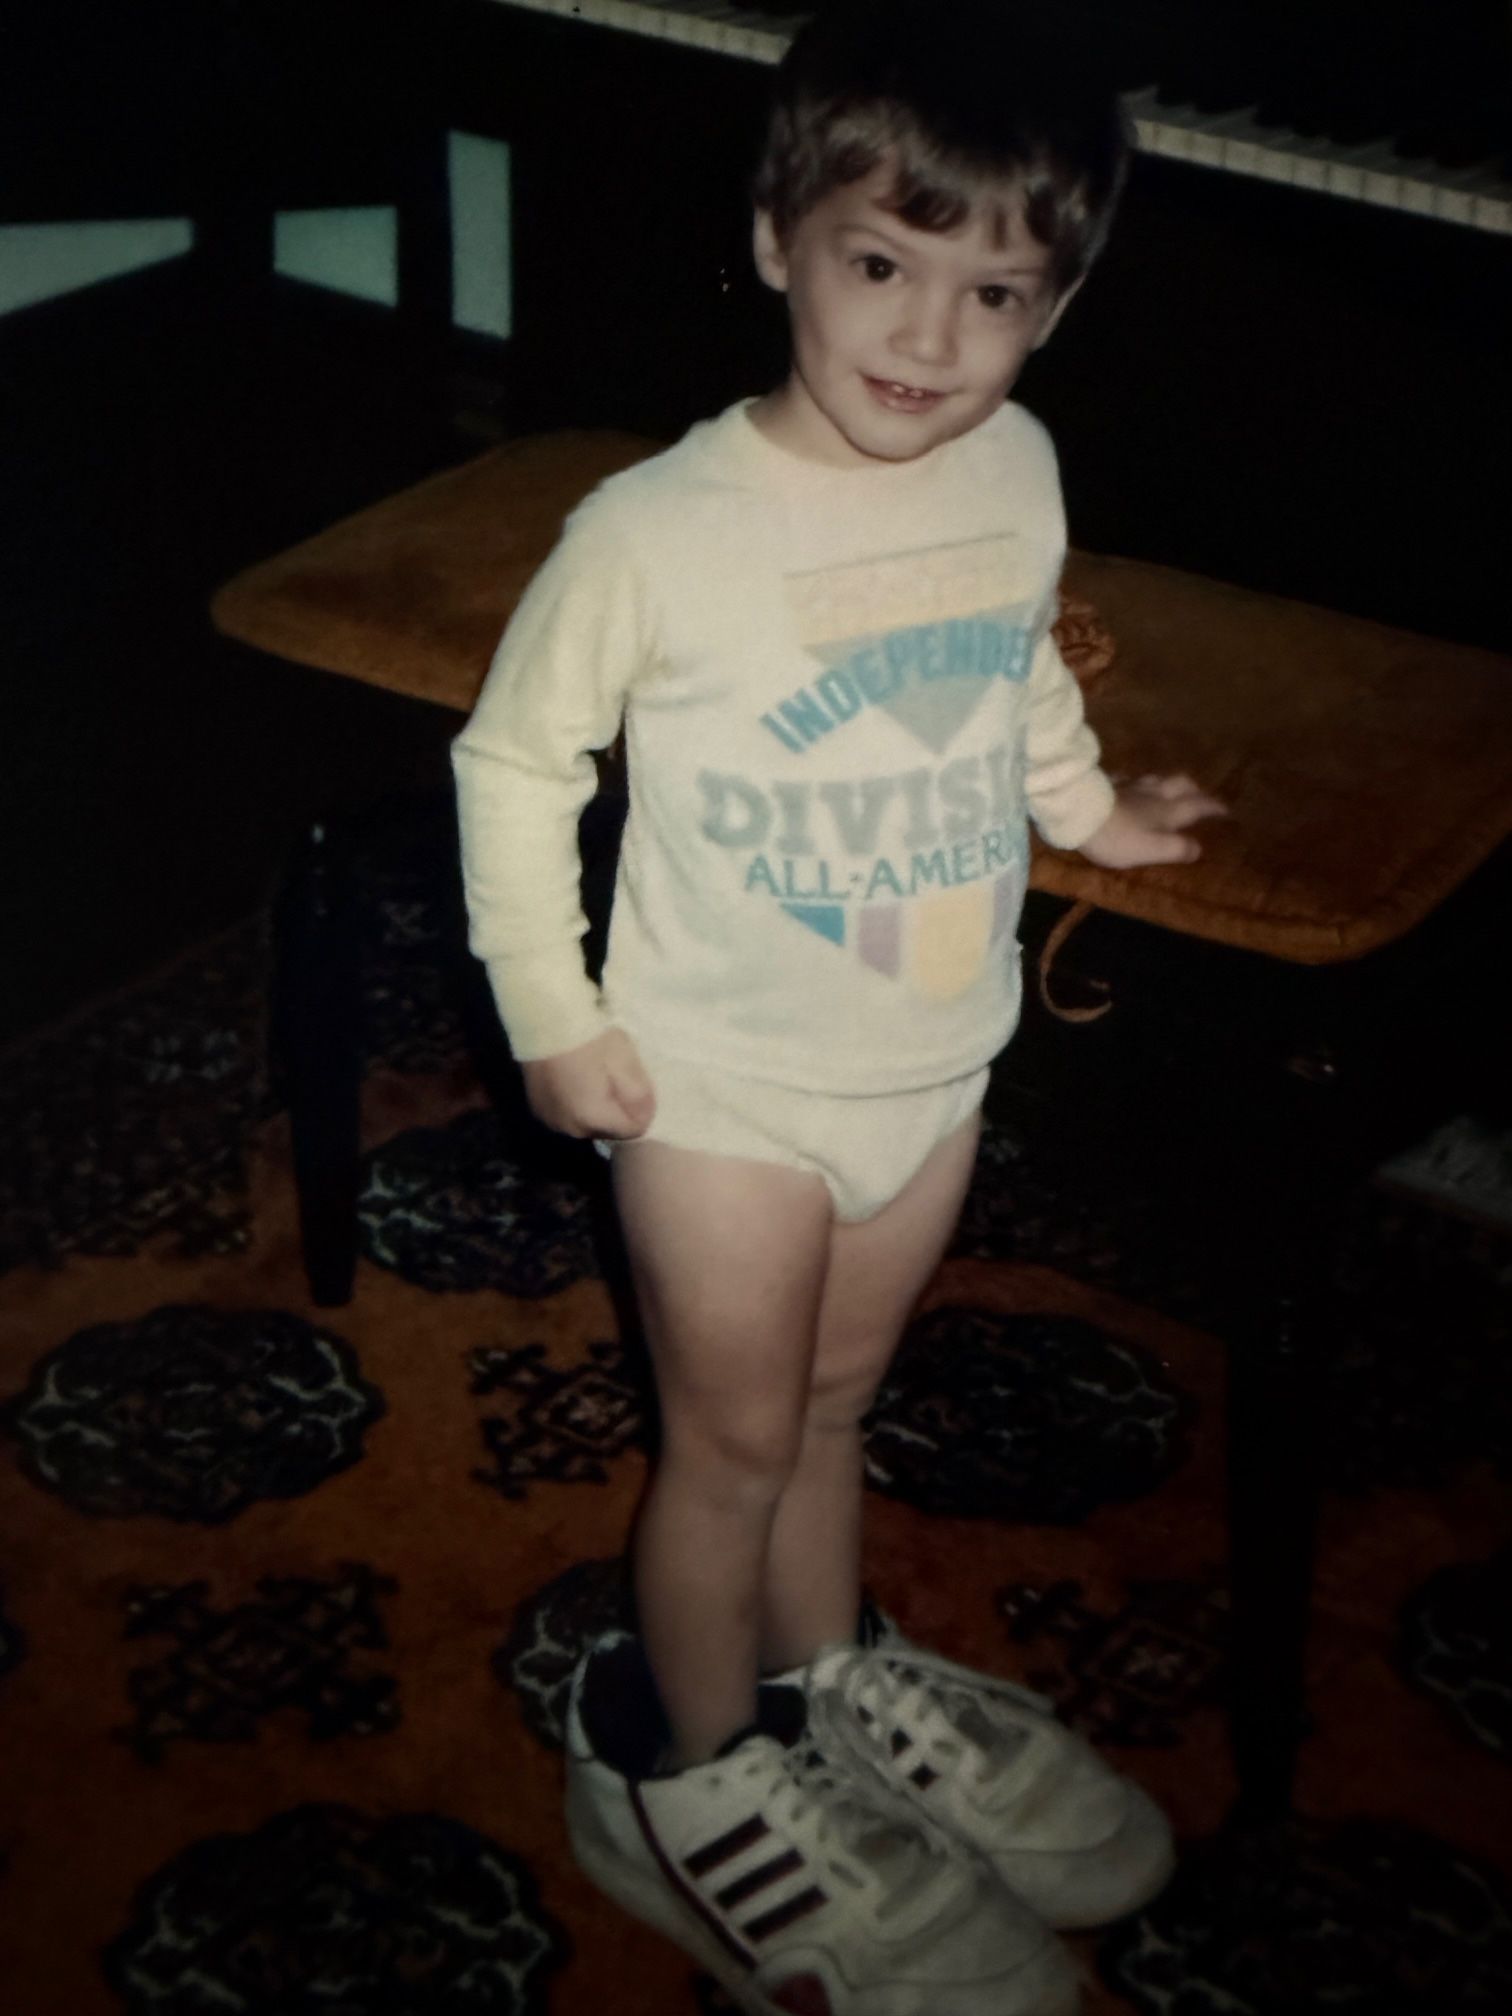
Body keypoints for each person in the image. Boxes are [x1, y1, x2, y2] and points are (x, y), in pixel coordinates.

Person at [453, 5, 1224, 2009]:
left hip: (931, 1054)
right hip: (718, 1084)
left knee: (830, 1411)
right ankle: (688, 1774)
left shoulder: (1021, 466)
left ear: (1053, 311)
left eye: (996, 291)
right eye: (884, 262)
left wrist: (1091, 811)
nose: (929, 337)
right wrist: (552, 1007)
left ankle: (823, 1681)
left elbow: (1014, 670)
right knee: (725, 1443)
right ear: (781, 233)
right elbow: (513, 766)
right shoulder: (653, 533)